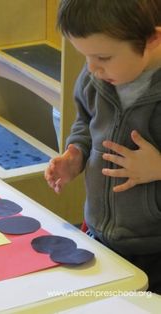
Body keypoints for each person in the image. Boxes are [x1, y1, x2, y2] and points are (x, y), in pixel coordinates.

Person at [45, 0, 161, 294]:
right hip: (100, 234)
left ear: (153, 39)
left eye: (103, 57)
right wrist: (76, 153)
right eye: (85, 56)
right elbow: (86, 122)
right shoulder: (95, 80)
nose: (93, 68)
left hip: (154, 246)